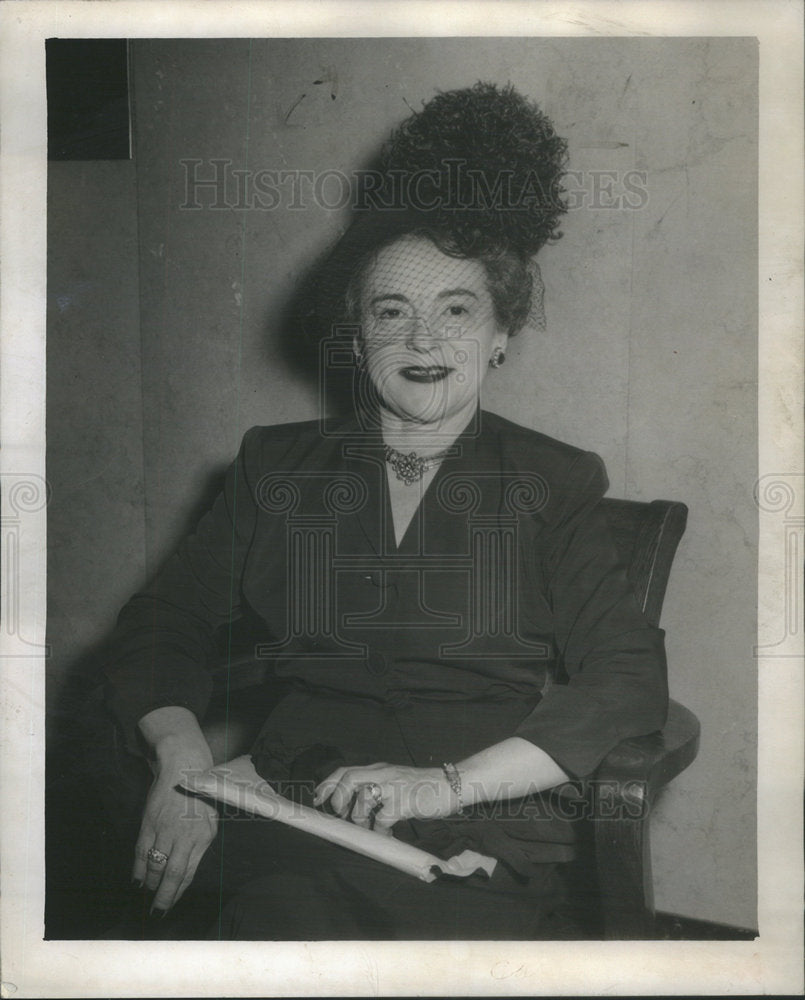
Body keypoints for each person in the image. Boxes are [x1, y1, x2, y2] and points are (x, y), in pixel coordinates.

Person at [100, 82, 668, 940]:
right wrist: (185, 766)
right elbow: (162, 624)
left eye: (456, 309)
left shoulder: (553, 479)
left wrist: (448, 781)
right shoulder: (275, 465)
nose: (422, 341)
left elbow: (625, 678)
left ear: (500, 333)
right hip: (284, 802)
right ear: (356, 336)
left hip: (469, 814)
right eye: (390, 311)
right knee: (266, 916)